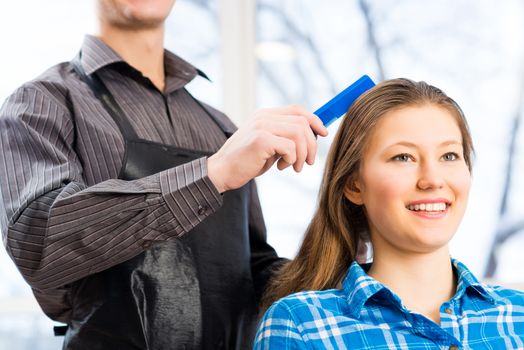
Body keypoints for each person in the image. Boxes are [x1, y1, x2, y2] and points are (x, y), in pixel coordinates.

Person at [0, 0, 328, 349]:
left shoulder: (219, 126)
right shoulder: (42, 103)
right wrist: (213, 173)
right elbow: (39, 244)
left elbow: (252, 273)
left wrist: (340, 262)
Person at [255, 78, 524, 349]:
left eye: (449, 156)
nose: (432, 180)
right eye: (403, 157)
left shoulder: (518, 316)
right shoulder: (301, 325)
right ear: (353, 185)